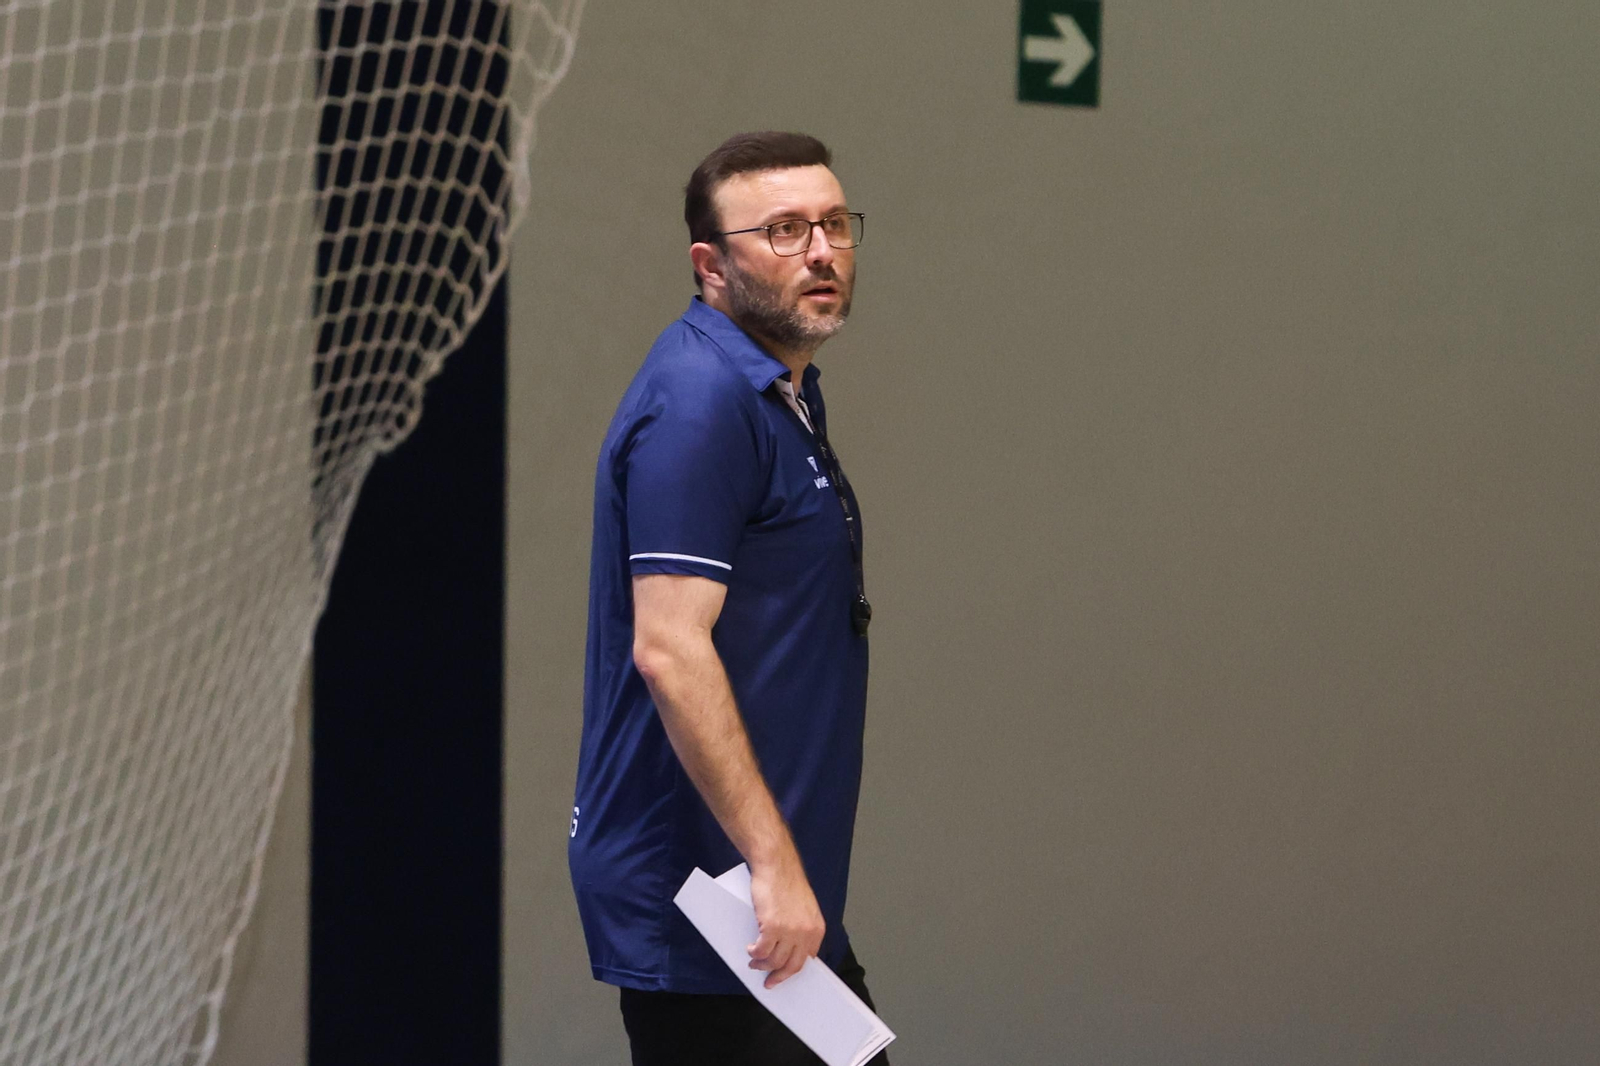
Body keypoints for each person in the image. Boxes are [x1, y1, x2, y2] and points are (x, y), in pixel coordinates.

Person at [568, 131, 888, 1065]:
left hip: (760, 891)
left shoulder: (775, 391)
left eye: (833, 224)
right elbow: (670, 648)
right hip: (714, 896)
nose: (821, 252)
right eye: (783, 231)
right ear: (711, 265)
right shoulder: (700, 404)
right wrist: (774, 868)